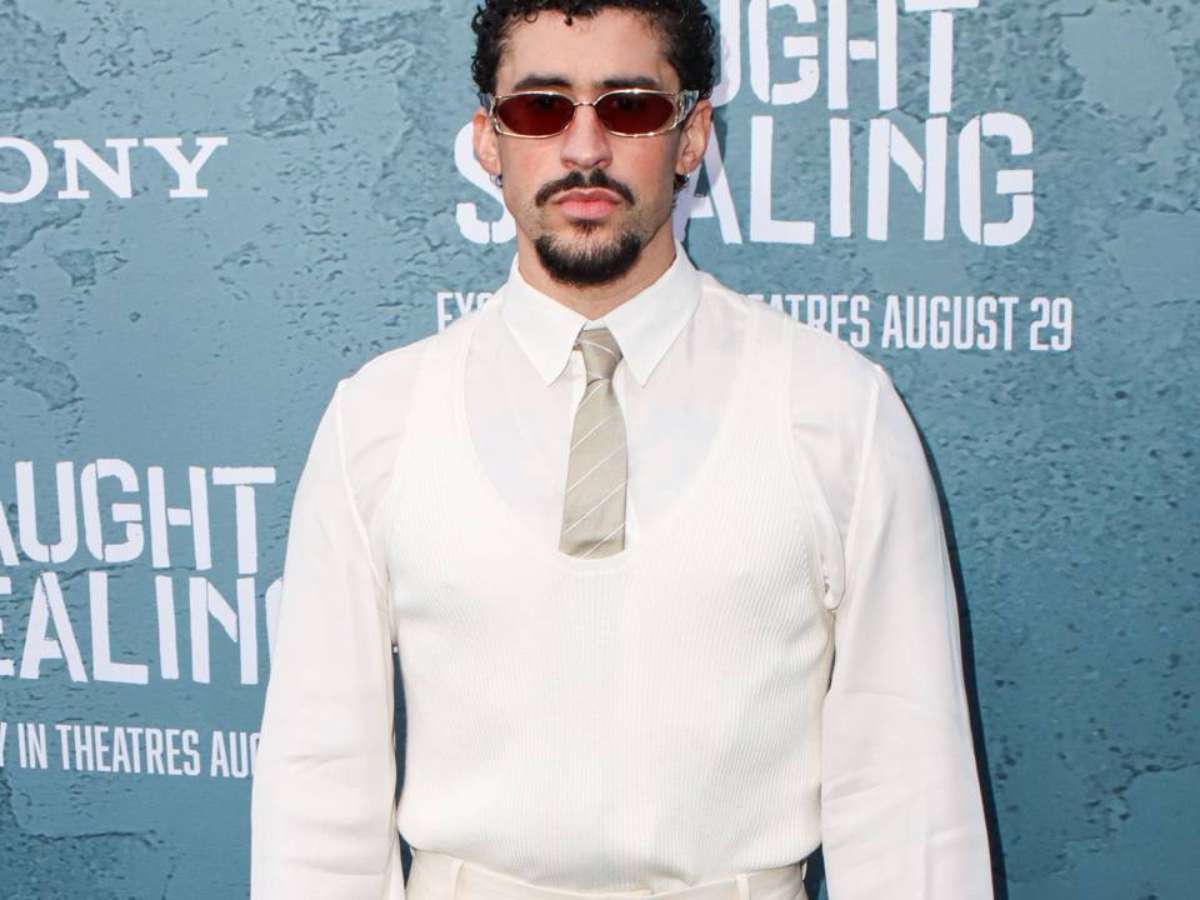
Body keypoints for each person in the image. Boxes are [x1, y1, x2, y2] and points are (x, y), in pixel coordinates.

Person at [249, 2, 995, 899]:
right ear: (488, 139)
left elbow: (908, 792)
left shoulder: (837, 409)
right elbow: (319, 787)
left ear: (692, 136)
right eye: (540, 108)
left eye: (630, 106)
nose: (584, 148)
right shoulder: (378, 419)